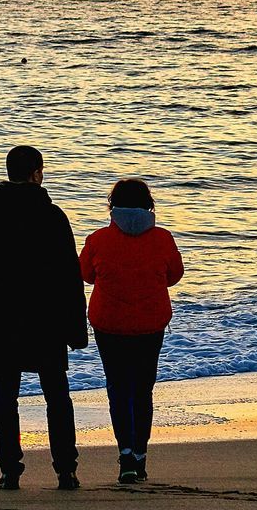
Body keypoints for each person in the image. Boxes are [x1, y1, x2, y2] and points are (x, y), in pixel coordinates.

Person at [0, 145, 88, 490]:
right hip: (47, 316)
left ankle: (10, 470)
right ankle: (66, 469)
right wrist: (76, 327)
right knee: (57, 394)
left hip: (0, 315)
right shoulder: (52, 215)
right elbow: (69, 277)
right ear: (36, 174)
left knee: (6, 395)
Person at [79, 177, 184, 484]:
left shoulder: (98, 239)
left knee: (118, 389)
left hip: (109, 323)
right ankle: (140, 456)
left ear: (112, 206)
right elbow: (174, 275)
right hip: (150, 323)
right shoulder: (163, 239)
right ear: (149, 206)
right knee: (142, 389)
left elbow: (85, 274)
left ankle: (125, 455)